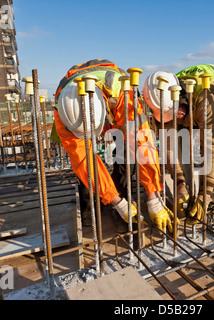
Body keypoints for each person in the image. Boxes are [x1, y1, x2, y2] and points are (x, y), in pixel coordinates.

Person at [52, 59, 178, 232]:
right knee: (82, 166)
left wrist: (153, 196)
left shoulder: (123, 95)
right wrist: (118, 203)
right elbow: (84, 162)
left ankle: (121, 191)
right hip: (79, 115)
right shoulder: (63, 117)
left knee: (129, 150)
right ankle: (92, 205)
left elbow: (143, 146)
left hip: (115, 102)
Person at [143, 64, 214, 224]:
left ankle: (210, 204)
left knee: (208, 153)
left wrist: (205, 195)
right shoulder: (162, 103)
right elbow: (169, 149)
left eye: (175, 114)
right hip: (191, 107)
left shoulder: (207, 100)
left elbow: (211, 150)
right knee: (186, 149)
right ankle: (188, 196)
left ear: (181, 97)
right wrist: (179, 182)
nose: (176, 118)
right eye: (168, 116)